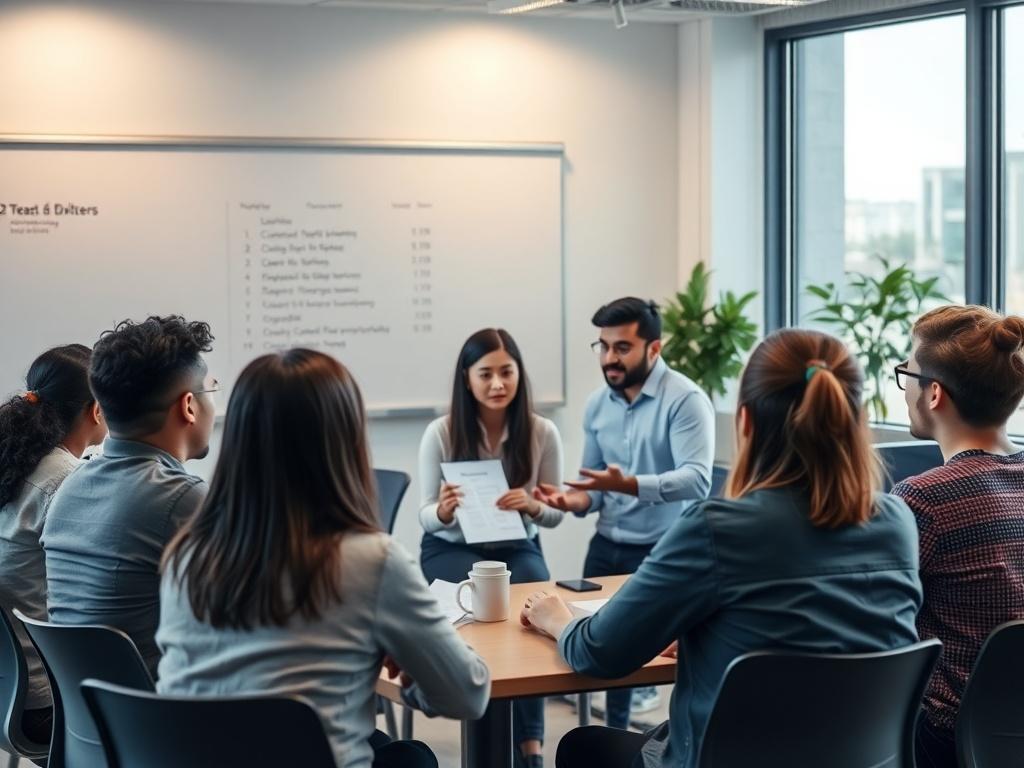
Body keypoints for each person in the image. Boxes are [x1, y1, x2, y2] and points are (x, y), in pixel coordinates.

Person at [523, 329, 923, 768]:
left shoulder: (716, 527)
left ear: (745, 422)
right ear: (854, 420)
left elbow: (599, 652)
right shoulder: (896, 521)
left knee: (584, 746)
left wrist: (558, 621)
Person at [158, 349, 490, 768]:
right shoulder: (372, 561)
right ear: (345, 439)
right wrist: (412, 677)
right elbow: (467, 694)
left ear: (240, 439)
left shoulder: (185, 557)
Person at [533, 297, 714, 727]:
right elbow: (594, 490)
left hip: (661, 549)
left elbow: (697, 480)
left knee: (647, 664)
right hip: (606, 546)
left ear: (654, 349)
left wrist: (629, 484)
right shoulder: (598, 405)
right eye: (603, 346)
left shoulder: (685, 400)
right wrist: (570, 501)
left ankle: (653, 745)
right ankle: (611, 737)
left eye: (622, 348)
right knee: (597, 653)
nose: (610, 359)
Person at [418, 327, 563, 768]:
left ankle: (531, 746)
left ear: (520, 374)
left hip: (515, 544)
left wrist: (533, 505)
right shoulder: (440, 432)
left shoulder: (542, 432)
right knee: (482, 600)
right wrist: (443, 511)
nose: (497, 384)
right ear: (467, 379)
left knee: (535, 590)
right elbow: (424, 515)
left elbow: (556, 515)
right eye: (486, 374)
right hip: (450, 545)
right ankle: (482, 727)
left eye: (507, 372)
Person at [42, 315, 215, 674]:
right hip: (164, 721)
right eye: (211, 390)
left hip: (92, 722)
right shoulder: (182, 499)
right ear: (188, 406)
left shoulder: (71, 485)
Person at [891, 305, 1024, 768]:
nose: (904, 387)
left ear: (933, 394)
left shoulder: (923, 501)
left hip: (942, 742)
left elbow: (876, 623)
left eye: (907, 373)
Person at [0, 345, 107, 744]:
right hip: (45, 704)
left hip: (6, 690)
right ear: (97, 411)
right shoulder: (68, 481)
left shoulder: (13, 459)